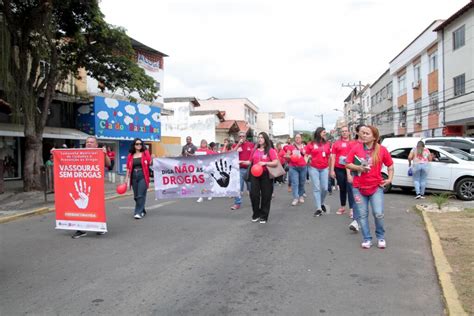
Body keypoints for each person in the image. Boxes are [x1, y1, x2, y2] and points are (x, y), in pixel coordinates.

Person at [346, 126, 394, 249]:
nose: (364, 135)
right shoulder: (356, 148)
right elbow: (347, 163)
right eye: (363, 133)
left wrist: (389, 179)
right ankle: (367, 238)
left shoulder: (382, 150)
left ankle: (380, 237)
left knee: (378, 213)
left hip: (376, 187)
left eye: (367, 133)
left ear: (374, 137)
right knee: (362, 215)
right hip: (358, 187)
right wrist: (359, 168)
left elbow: (390, 165)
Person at [71, 136, 111, 239]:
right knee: (80, 207)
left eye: (91, 142)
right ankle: (80, 230)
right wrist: (55, 153)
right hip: (82, 185)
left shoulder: (100, 153)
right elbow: (66, 159)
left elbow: (108, 164)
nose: (89, 144)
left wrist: (104, 153)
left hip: (96, 185)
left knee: (96, 206)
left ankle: (99, 226)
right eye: (87, 142)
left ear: (96, 145)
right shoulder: (79, 154)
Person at [244, 132, 279, 223]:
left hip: (266, 174)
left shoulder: (270, 150)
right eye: (259, 137)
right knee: (254, 195)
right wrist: (239, 161)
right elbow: (249, 162)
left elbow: (275, 162)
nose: (260, 139)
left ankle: (264, 215)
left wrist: (265, 163)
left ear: (265, 139)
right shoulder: (254, 150)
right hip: (254, 174)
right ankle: (256, 214)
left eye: (262, 137)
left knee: (266, 195)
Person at [330, 126, 356, 220]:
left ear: (349, 132)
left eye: (346, 131)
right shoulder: (336, 143)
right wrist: (332, 170)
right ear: (341, 133)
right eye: (342, 131)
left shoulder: (354, 143)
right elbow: (333, 157)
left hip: (351, 168)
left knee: (350, 188)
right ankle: (342, 207)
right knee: (342, 188)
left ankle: (352, 209)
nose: (344, 133)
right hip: (339, 168)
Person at [305, 127, 331, 216]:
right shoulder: (311, 144)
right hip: (313, 168)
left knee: (325, 188)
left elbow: (329, 156)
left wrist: (331, 169)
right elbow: (306, 154)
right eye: (324, 132)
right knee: (316, 188)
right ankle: (319, 208)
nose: (325, 134)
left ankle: (321, 202)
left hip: (324, 168)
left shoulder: (327, 144)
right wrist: (306, 160)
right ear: (319, 133)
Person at [125, 138, 152, 219]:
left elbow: (150, 162)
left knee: (140, 195)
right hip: (133, 176)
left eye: (140, 144)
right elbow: (128, 168)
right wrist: (126, 178)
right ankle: (142, 210)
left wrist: (152, 159)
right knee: (136, 196)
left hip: (143, 175)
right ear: (134, 145)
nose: (139, 145)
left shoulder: (145, 153)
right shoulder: (130, 155)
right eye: (137, 144)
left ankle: (138, 212)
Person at [230, 131, 255, 210]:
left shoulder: (251, 145)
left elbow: (254, 155)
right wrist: (238, 145)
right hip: (239, 169)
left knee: (251, 188)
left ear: (246, 137)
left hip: (249, 169)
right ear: (238, 137)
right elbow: (231, 154)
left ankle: (254, 202)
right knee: (238, 188)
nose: (242, 138)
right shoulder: (235, 145)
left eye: (243, 136)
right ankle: (237, 203)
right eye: (240, 136)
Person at [284, 134, 307, 206]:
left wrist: (307, 159)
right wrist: (292, 156)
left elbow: (308, 155)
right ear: (294, 139)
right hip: (293, 167)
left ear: (301, 138)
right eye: (296, 137)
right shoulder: (291, 147)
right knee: (295, 183)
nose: (297, 139)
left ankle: (301, 196)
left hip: (303, 167)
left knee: (302, 182)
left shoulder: (305, 147)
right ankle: (295, 198)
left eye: (299, 137)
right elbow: (286, 155)